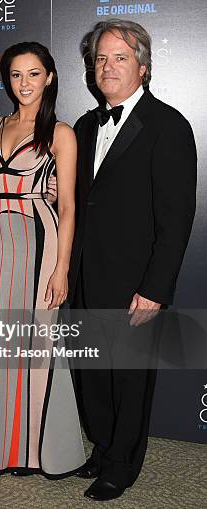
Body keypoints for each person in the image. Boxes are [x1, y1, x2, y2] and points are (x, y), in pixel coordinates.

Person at [70, 20, 196, 501]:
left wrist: (156, 289)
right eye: (101, 58)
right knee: (93, 374)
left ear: (144, 65)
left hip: (135, 282)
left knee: (129, 379)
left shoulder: (169, 125)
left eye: (120, 57)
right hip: (86, 275)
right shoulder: (84, 125)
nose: (108, 67)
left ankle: (123, 465)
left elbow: (176, 220)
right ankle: (103, 449)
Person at [0, 42, 85, 478]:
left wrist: (62, 268)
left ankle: (36, 451)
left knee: (37, 349)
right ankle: (5, 444)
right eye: (16, 75)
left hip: (42, 242)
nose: (24, 83)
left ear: (50, 78)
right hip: (4, 243)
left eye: (33, 74)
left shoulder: (61, 133)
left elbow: (70, 207)